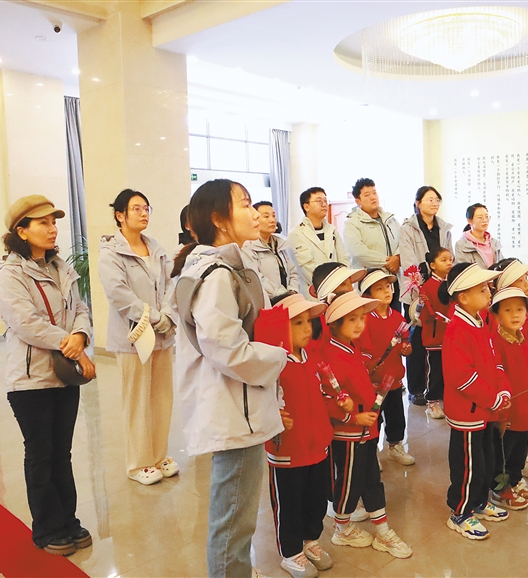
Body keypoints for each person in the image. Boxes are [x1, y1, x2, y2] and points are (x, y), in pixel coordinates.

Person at [173, 179, 288, 578]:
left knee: (236, 514)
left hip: (239, 403)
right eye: (245, 204)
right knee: (233, 519)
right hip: (234, 408)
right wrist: (280, 357)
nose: (255, 213)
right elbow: (227, 349)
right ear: (219, 219)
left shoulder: (225, 265)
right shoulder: (216, 274)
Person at [0, 195, 95, 556]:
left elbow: (80, 308)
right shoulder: (11, 273)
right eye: (43, 223)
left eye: (54, 222)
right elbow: (25, 323)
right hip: (30, 380)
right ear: (21, 231)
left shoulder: (60, 267)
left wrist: (80, 334)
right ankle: (47, 528)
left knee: (62, 453)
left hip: (63, 375)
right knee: (41, 454)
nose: (52, 229)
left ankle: (68, 521)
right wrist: (72, 345)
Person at [322, 292, 413, 559]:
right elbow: (329, 400)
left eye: (361, 318)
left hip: (366, 430)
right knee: (349, 483)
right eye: (352, 319)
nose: (360, 324)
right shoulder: (332, 355)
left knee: (372, 479)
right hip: (349, 434)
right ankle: (342, 528)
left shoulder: (351, 348)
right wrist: (353, 418)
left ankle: (382, 530)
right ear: (335, 324)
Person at [99, 189, 179, 486]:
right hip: (133, 336)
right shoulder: (111, 253)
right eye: (136, 209)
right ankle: (138, 463)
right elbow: (118, 293)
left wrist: (168, 314)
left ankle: (159, 456)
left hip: (162, 335)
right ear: (120, 215)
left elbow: (172, 283)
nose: (144, 213)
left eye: (147, 208)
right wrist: (154, 316)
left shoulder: (156, 247)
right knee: (137, 401)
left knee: (161, 398)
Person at [265, 292, 345, 578]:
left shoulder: (311, 356)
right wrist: (273, 416)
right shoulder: (273, 362)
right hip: (288, 449)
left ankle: (311, 541)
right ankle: (290, 553)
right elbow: (260, 399)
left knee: (316, 499)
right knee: (289, 503)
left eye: (308, 322)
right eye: (297, 323)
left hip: (317, 446)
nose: (307, 328)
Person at [439, 263, 511, 540]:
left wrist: (503, 391)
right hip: (467, 413)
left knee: (485, 460)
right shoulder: (457, 330)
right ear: (463, 297)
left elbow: (495, 361)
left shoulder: (480, 322)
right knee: (468, 466)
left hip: (485, 409)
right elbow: (462, 378)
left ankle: (479, 502)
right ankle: (460, 511)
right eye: (482, 290)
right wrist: (493, 398)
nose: (489, 293)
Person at [488, 288, 528, 511]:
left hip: (524, 410)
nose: (515, 315)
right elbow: (497, 379)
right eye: (508, 310)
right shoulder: (495, 343)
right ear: (496, 314)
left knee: (519, 451)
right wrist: (501, 414)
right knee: (503, 451)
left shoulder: (525, 340)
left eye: (520, 309)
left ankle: (515, 479)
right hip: (507, 412)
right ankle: (500, 488)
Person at [492, 258, 528, 480]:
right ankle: (504, 483)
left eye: (526, 279)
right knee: (504, 448)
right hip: (507, 405)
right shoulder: (497, 336)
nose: (527, 284)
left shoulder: (523, 336)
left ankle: (516, 475)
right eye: (521, 280)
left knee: (518, 443)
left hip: (524, 401)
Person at [399, 186, 454, 406]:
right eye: (429, 199)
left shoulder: (444, 228)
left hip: (441, 289)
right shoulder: (408, 228)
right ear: (418, 203)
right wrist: (421, 287)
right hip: (418, 292)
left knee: (438, 340)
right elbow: (408, 260)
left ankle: (436, 388)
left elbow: (449, 256)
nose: (434, 203)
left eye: (437, 199)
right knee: (417, 341)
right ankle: (416, 388)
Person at [359, 270, 415, 466]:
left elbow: (405, 341)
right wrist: (371, 365)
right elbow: (363, 348)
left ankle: (395, 446)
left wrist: (406, 348)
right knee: (374, 417)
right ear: (368, 295)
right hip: (374, 381)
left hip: (394, 378)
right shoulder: (365, 319)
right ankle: (372, 450)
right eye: (379, 288)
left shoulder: (398, 317)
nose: (387, 291)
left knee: (396, 415)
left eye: (388, 287)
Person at [342, 178, 402, 312]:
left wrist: (398, 258)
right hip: (370, 283)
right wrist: (388, 262)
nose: (373, 197)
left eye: (374, 193)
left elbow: (403, 242)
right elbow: (358, 251)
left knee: (394, 317)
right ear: (358, 201)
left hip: (393, 282)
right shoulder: (352, 223)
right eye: (367, 195)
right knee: (373, 319)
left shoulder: (390, 219)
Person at [287, 187, 350, 297]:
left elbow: (344, 258)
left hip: (338, 289)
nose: (324, 204)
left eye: (325, 201)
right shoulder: (296, 234)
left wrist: (342, 281)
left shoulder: (332, 230)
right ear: (306, 207)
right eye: (319, 201)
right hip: (313, 292)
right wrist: (330, 285)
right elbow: (307, 268)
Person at [417, 247, 454, 420]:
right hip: (435, 336)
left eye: (450, 260)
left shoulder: (452, 285)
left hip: (450, 335)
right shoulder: (426, 287)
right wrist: (424, 306)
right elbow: (421, 315)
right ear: (432, 265)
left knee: (449, 371)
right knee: (435, 372)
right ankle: (432, 402)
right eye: (444, 260)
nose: (449, 263)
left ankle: (448, 400)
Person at [244, 201, 299, 298]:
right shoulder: (248, 247)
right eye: (266, 216)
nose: (272, 220)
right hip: (267, 300)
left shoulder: (280, 243)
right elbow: (257, 277)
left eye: (273, 216)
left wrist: (292, 290)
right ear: (254, 219)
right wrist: (281, 294)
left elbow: (293, 271)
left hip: (288, 298)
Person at [455, 203, 503, 268]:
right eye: (480, 217)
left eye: (487, 217)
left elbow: (502, 264)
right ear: (469, 220)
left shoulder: (494, 242)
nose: (485, 220)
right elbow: (464, 270)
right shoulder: (461, 245)